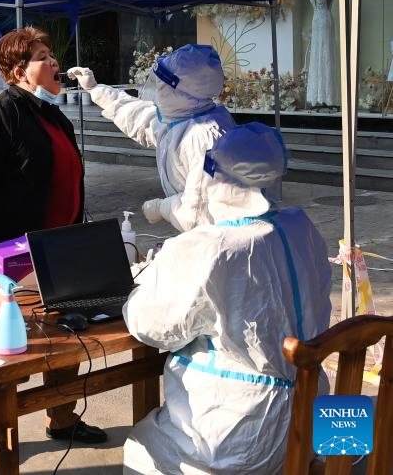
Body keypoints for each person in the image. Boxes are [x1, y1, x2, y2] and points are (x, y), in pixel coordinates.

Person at [122, 123, 332, 474]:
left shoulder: (211, 247)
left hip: (239, 434)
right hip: (317, 419)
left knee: (139, 447)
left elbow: (151, 327)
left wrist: (142, 284)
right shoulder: (301, 226)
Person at [0, 27, 107, 453]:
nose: (54, 62)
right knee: (5, 346)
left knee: (63, 340)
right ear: (19, 71)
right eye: (43, 57)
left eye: (51, 55)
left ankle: (62, 418)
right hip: (11, 253)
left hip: (57, 248)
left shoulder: (53, 115)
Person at [68, 44, 235, 232]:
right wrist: (95, 89)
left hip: (219, 237)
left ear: (181, 90)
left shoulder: (205, 137)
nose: (158, 92)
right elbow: (139, 117)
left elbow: (203, 206)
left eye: (162, 85)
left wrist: (161, 207)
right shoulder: (185, 119)